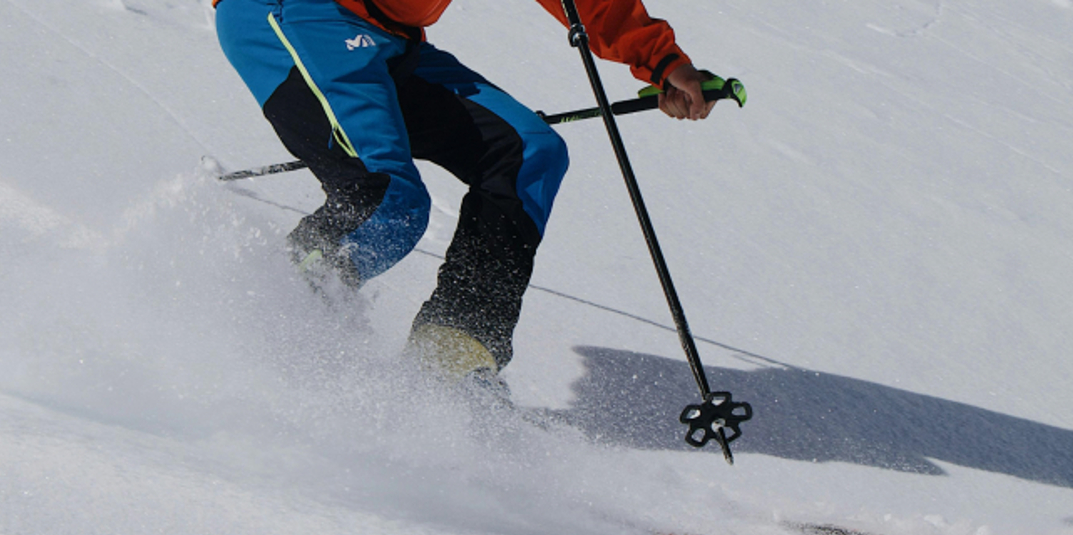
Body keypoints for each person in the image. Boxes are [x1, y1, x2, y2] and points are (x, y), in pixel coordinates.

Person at [214, 0, 715, 392]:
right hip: (294, 16)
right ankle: (271, 323)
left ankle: (450, 352)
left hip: (386, 37)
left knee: (527, 152)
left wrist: (661, 60)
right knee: (390, 202)